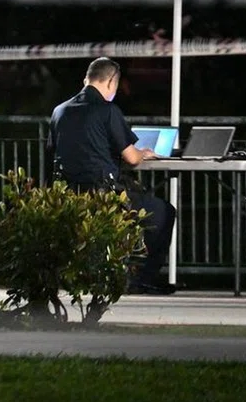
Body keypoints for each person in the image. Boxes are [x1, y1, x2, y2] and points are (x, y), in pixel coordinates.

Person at [46, 57, 177, 295]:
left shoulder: (59, 111)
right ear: (111, 82)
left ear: (87, 79)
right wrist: (142, 152)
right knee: (164, 212)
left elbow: (54, 152)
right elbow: (132, 159)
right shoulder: (108, 110)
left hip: (67, 194)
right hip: (104, 195)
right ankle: (142, 279)